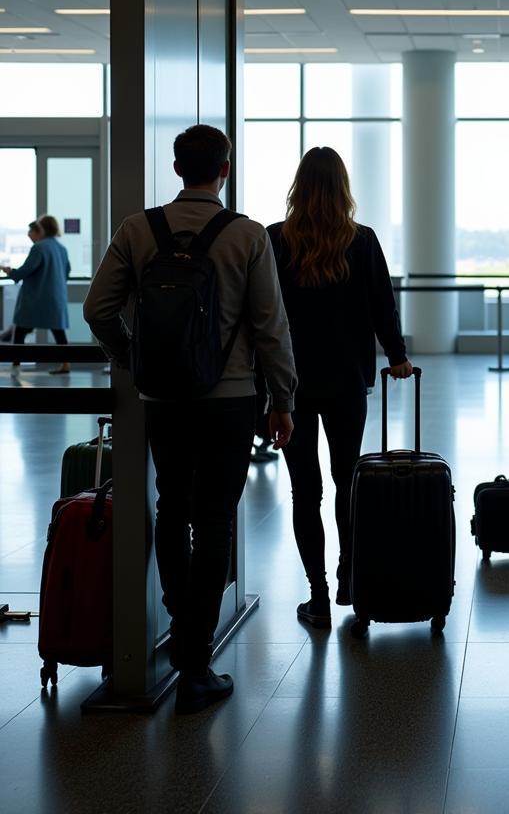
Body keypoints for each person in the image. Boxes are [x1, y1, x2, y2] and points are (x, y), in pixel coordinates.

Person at [84, 124, 297, 715]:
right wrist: (283, 399)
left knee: (170, 508)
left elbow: (96, 308)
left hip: (164, 401)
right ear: (224, 170)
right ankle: (196, 659)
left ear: (177, 169)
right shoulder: (246, 235)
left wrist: (133, 361)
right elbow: (269, 326)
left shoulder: (137, 229)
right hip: (229, 400)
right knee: (215, 520)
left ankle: (180, 627)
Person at [267, 146, 411, 629]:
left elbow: (261, 316)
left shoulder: (274, 240)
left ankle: (318, 594)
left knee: (304, 490)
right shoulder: (363, 241)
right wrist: (397, 357)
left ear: (299, 187)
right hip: (348, 380)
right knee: (348, 480)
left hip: (290, 385)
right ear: (343, 188)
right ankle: (351, 575)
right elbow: (381, 307)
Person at [0, 216, 72, 374]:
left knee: (20, 331)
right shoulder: (61, 248)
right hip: (56, 298)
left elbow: (26, 270)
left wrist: (10, 271)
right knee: (59, 332)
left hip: (36, 299)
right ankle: (66, 363)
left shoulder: (39, 247)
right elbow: (66, 272)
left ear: (41, 230)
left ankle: (16, 365)